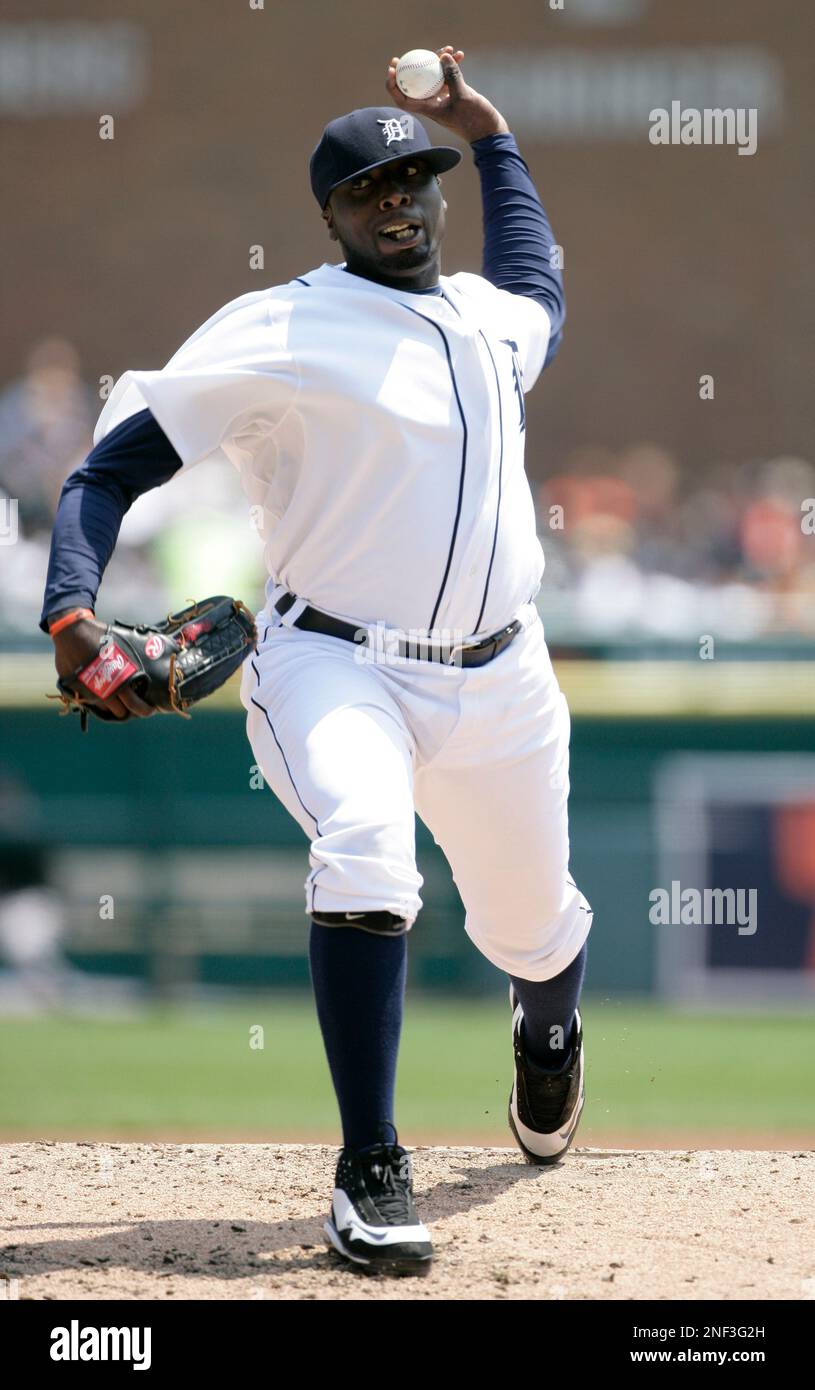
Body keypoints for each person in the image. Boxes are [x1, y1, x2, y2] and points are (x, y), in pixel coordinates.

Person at [40, 46, 593, 1276]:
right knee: (366, 850)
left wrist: (491, 131)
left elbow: (536, 275)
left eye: (415, 180)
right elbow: (109, 468)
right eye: (369, 190)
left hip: (501, 677)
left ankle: (546, 1032)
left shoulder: (494, 324)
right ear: (331, 214)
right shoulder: (280, 324)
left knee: (535, 926)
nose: (397, 201)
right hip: (336, 665)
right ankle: (370, 1163)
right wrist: (72, 614)